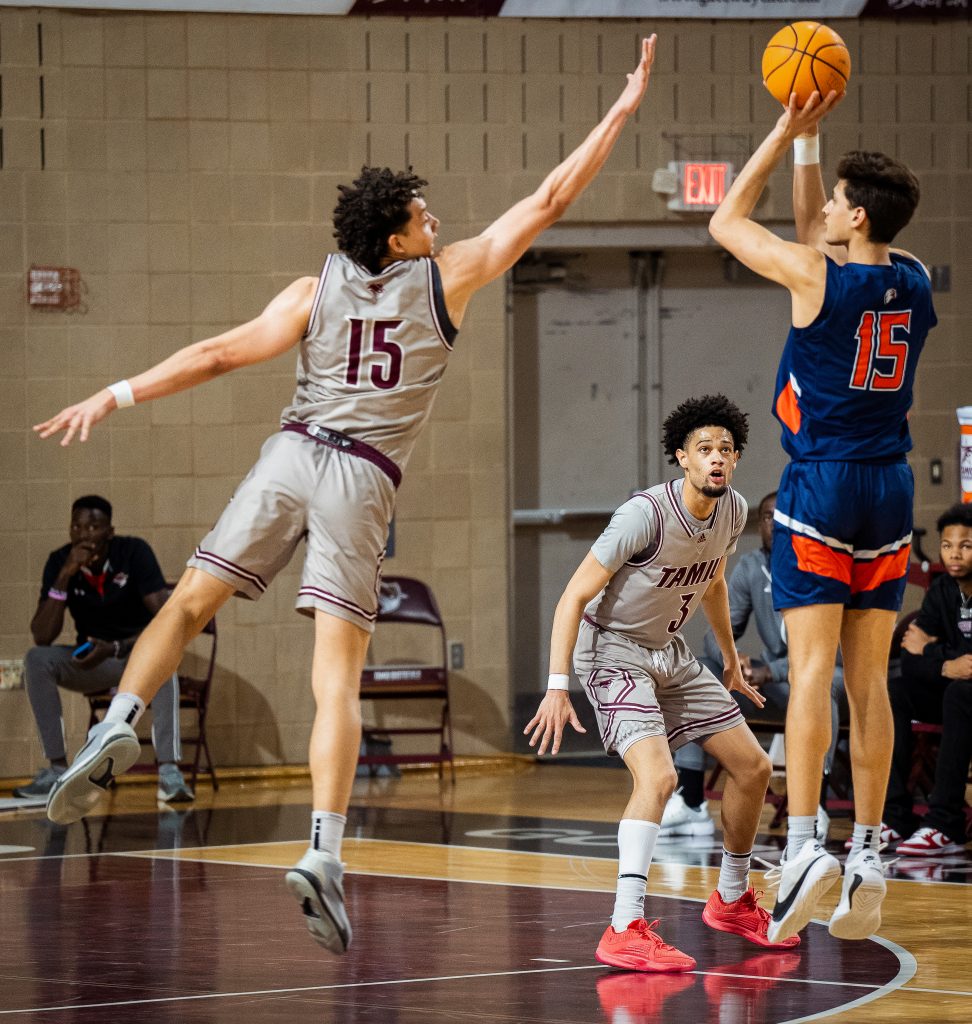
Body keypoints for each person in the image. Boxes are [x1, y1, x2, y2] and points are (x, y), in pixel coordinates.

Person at [32, 36, 658, 954]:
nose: (433, 215)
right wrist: (621, 110)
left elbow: (214, 355)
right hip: (362, 479)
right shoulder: (450, 279)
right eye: (420, 210)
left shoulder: (310, 286)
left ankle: (117, 723)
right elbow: (551, 198)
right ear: (398, 238)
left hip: (289, 454)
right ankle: (324, 853)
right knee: (336, 677)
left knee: (195, 598)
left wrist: (115, 393)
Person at [709, 92, 936, 943]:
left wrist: (777, 131)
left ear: (860, 212)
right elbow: (820, 236)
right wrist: (813, 150)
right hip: (891, 488)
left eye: (841, 199)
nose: (829, 210)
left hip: (822, 485)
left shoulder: (816, 276)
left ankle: (805, 843)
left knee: (811, 672)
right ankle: (870, 848)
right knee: (868, 679)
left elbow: (728, 222)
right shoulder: (909, 272)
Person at [525, 394, 800, 974]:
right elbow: (572, 597)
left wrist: (729, 658)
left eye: (726, 449)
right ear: (682, 458)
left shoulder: (733, 511)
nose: (717, 458)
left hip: (669, 654)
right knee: (660, 775)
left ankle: (730, 898)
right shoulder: (643, 515)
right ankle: (624, 926)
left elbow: (716, 584)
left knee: (752, 768)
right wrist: (555, 686)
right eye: (705, 449)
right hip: (611, 652)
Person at [663, 491, 846, 842]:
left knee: (820, 686)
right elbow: (717, 634)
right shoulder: (750, 567)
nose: (773, 524)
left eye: (782, 516)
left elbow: (833, 653)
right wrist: (737, 660)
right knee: (695, 670)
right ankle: (690, 801)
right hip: (779, 684)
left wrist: (771, 671)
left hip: (825, 677)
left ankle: (813, 805)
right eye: (765, 516)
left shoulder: (822, 566)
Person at [12, 495, 192, 805]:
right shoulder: (60, 561)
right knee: (37, 659)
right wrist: (66, 574)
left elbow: (167, 622)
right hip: (94, 660)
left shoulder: (133, 552)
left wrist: (118, 646)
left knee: (165, 665)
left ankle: (169, 772)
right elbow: (42, 634)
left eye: (93, 527)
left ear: (109, 532)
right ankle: (56, 769)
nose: (84, 534)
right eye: (77, 527)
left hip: (136, 654)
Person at [883, 503, 972, 855]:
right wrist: (946, 663)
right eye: (948, 545)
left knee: (960, 693)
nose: (954, 554)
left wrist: (935, 654)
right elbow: (910, 656)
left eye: (965, 545)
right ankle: (894, 815)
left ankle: (946, 822)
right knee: (895, 690)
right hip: (955, 692)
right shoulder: (942, 590)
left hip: (963, 698)